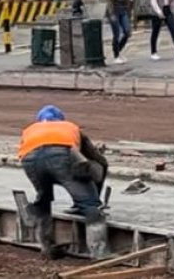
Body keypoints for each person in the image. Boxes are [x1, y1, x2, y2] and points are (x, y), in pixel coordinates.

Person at [18, 105, 110, 259]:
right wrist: (94, 191)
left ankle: (46, 248)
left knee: (43, 200)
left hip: (29, 160)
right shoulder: (70, 128)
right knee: (91, 207)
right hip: (60, 157)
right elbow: (98, 161)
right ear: (61, 119)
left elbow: (30, 153)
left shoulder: (30, 130)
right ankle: (99, 253)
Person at [106, 0, 133, 64]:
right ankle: (116, 55)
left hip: (123, 10)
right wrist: (111, 14)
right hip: (114, 10)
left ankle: (118, 49)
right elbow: (109, 0)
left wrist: (129, 10)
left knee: (127, 32)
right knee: (117, 34)